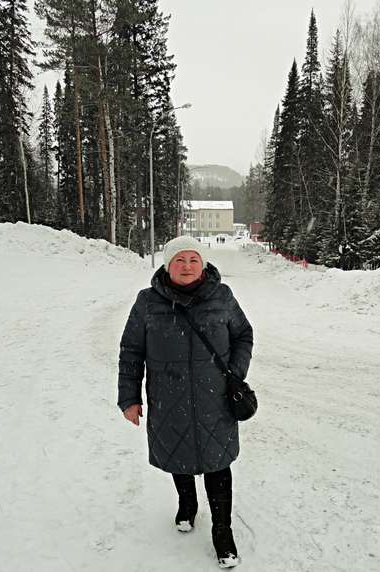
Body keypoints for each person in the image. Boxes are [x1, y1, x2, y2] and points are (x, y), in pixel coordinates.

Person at [117, 235, 254, 568]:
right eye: (180, 260)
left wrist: (232, 374)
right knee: (178, 454)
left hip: (215, 399)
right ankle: (187, 504)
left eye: (193, 260)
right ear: (167, 264)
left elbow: (243, 335)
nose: (187, 266)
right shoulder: (148, 302)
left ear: (203, 263)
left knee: (218, 464)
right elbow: (131, 352)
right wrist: (129, 398)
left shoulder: (221, 298)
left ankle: (223, 531)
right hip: (168, 398)